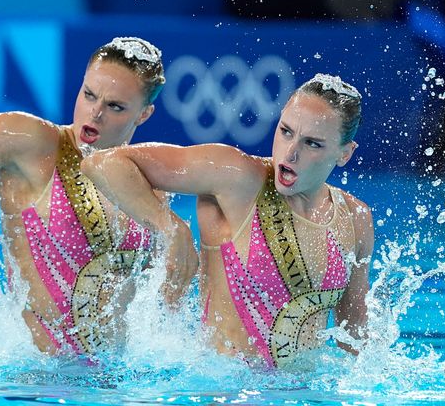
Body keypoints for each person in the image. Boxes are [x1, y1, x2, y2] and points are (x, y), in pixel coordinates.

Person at [0, 37, 198, 357]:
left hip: (111, 383)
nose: (95, 113)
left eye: (115, 106)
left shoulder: (149, 185)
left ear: (143, 114)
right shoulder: (35, 144)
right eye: (88, 95)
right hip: (32, 380)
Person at [82, 73, 374, 368]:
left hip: (304, 395)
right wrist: (169, 226)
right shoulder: (237, 178)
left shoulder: (354, 218)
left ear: (344, 154)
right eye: (286, 132)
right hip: (224, 392)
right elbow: (103, 164)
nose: (291, 152)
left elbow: (355, 341)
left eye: (312, 143)